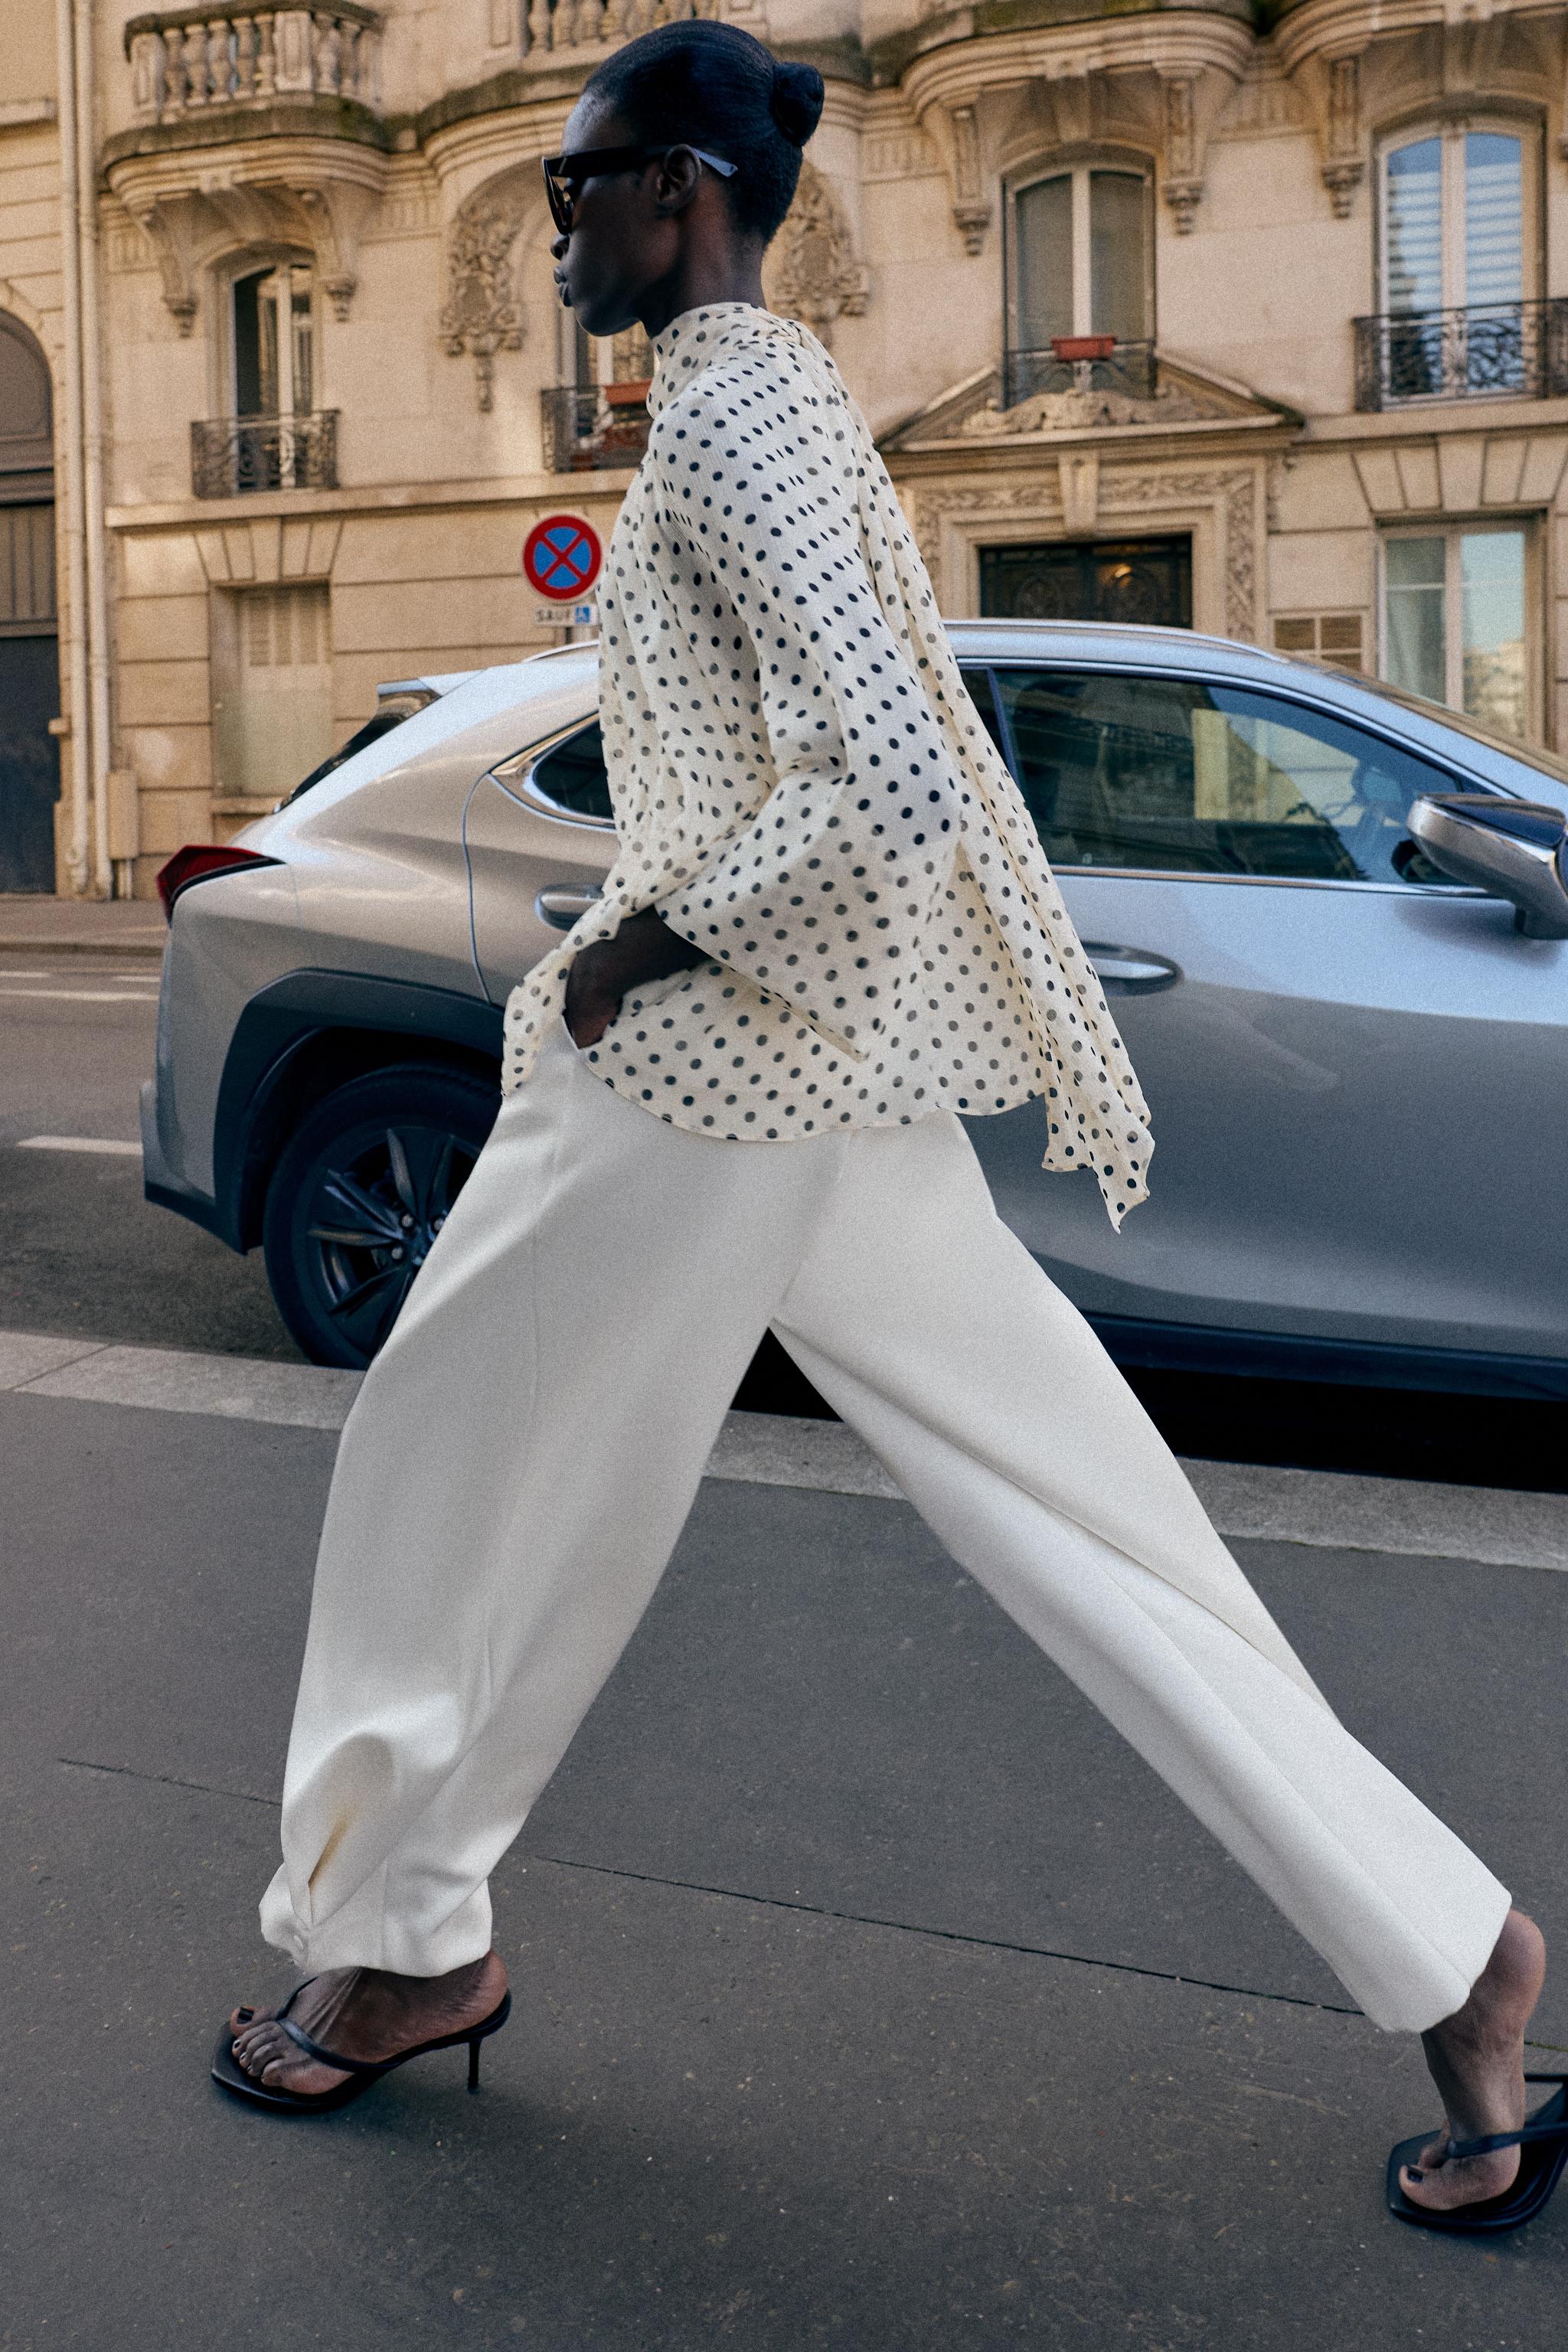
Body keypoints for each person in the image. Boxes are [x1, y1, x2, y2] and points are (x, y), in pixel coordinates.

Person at [216, 19, 1560, 2231]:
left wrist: (643, 946)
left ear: (683, 189)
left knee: (438, 1476)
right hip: (829, 1087)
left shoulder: (733, 419)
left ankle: (409, 1949)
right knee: (1096, 1527)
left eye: (575, 186)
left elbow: (900, 779)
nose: (552, 230)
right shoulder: (777, 399)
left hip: (709, 1077)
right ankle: (1460, 1959)